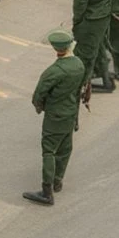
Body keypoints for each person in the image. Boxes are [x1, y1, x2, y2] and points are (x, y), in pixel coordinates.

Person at [23, 30, 86, 206]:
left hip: (55, 114)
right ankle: (58, 180)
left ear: (55, 49)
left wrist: (40, 106)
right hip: (71, 112)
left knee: (49, 150)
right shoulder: (79, 64)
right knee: (65, 148)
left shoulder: (53, 71)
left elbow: (38, 94)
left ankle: (46, 191)